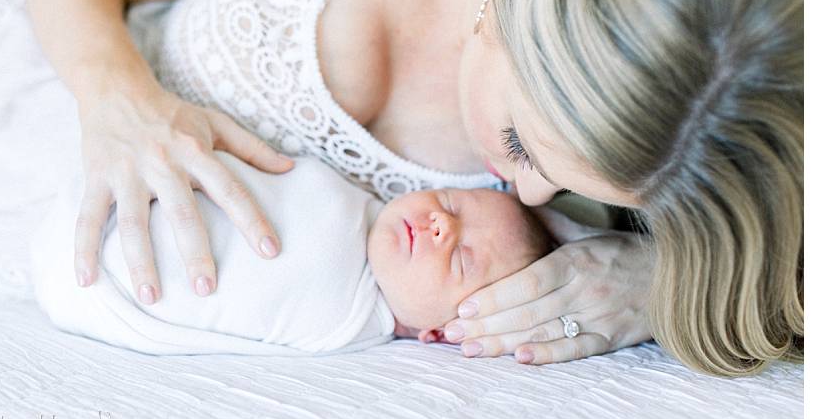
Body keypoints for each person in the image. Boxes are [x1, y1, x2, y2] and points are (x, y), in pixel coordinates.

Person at [24, 0, 802, 376]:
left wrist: (655, 281)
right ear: (498, 5)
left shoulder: (691, 100)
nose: (527, 192)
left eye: (566, 190)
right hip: (2, 72)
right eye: (521, 144)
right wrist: (116, 96)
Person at [30, 152, 552, 355]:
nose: (442, 225)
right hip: (102, 187)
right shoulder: (349, 191)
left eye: (460, 260)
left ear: (440, 331)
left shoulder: (345, 322)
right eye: (449, 203)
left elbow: (236, 347)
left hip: (96, 286)